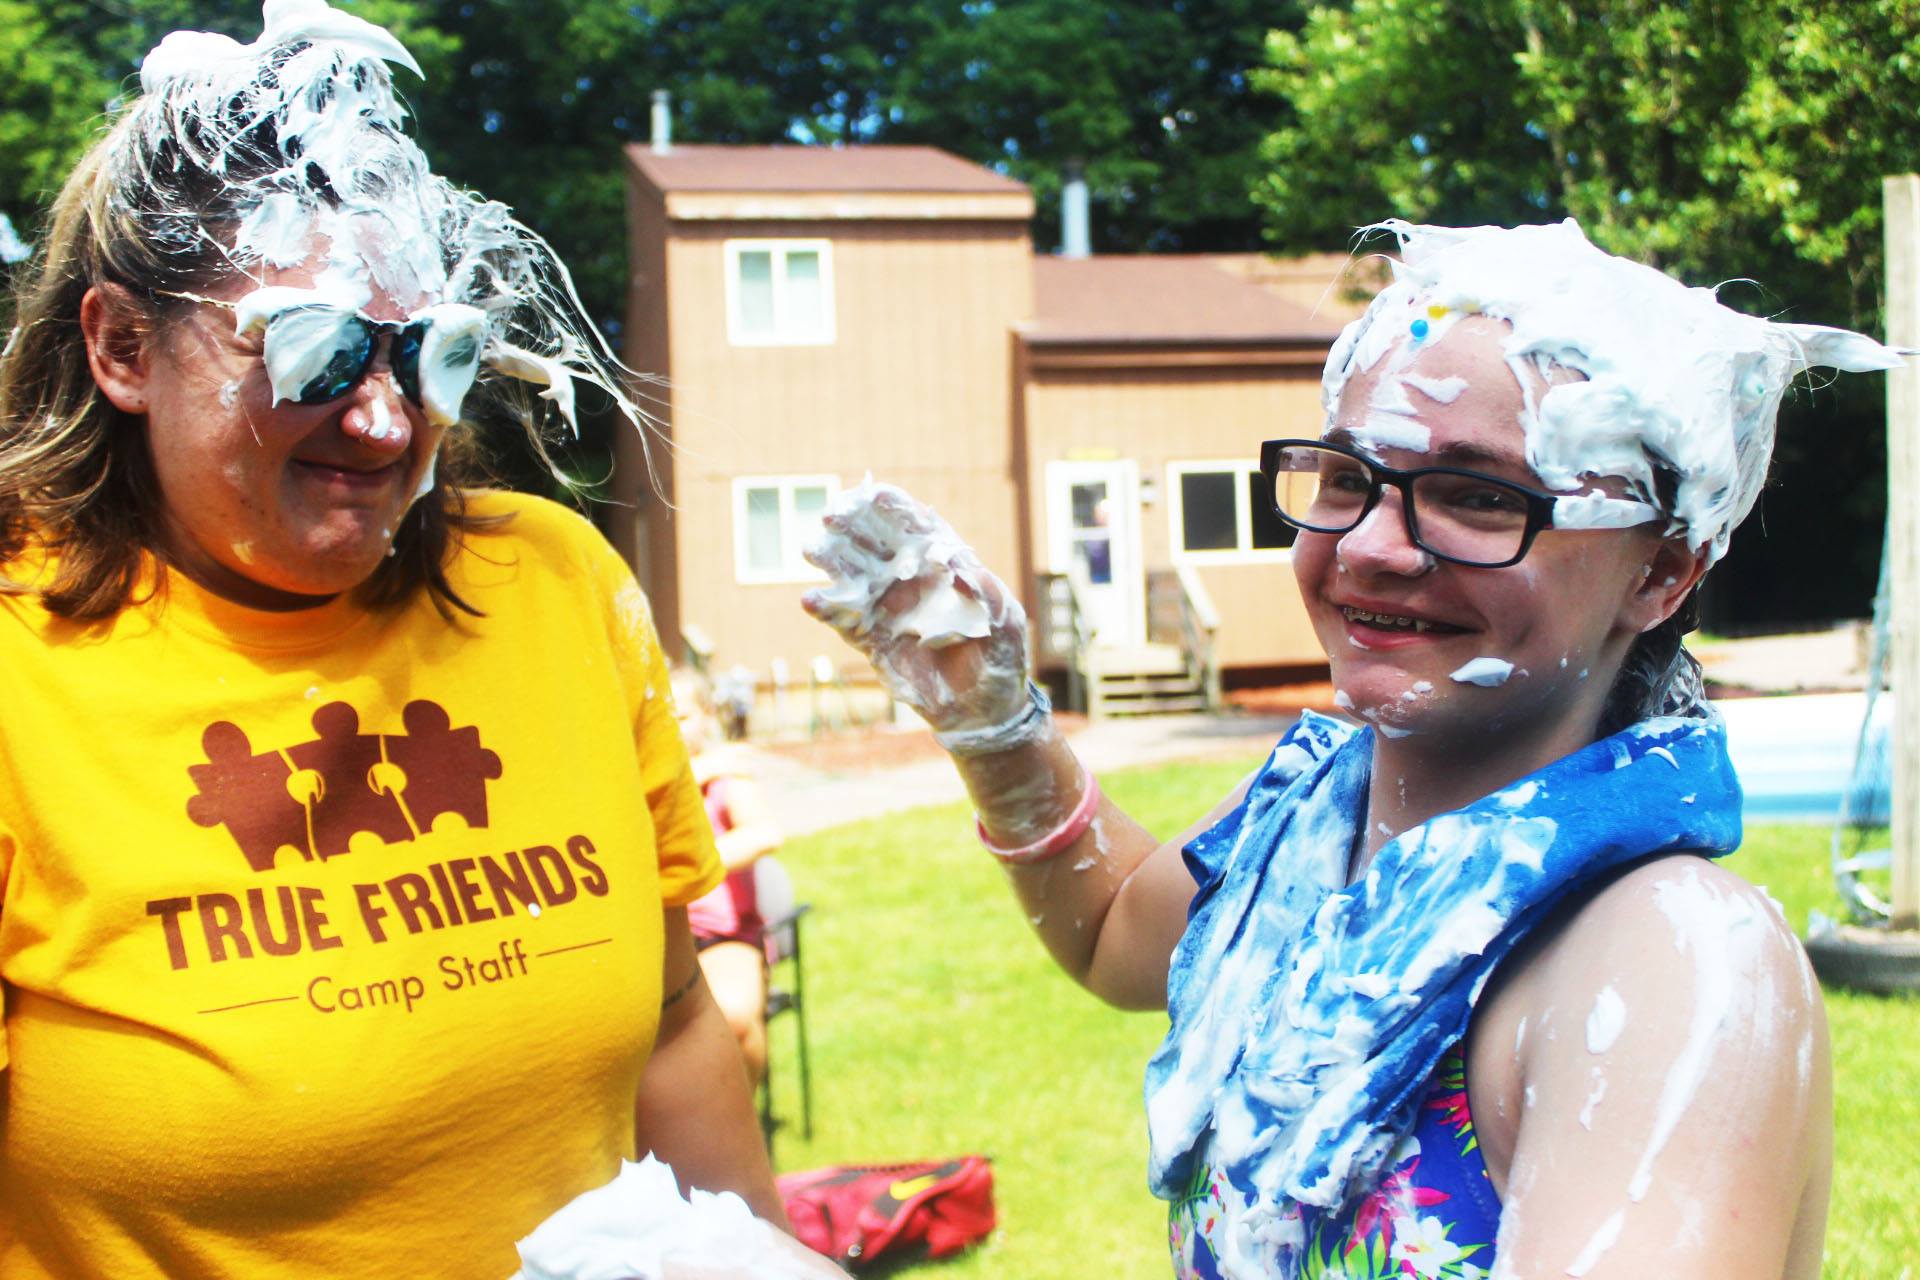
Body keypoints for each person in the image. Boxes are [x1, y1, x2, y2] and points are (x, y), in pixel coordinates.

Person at [803, 219, 1904, 1279]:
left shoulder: (1669, 960)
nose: (1373, 546)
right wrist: (994, 725)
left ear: (1663, 572)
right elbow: (1110, 931)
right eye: (1345, 479)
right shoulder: (1316, 826)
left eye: (1477, 496)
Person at [0, 4, 794, 1274]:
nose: (381, 419)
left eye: (427, 353)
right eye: (313, 349)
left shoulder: (550, 585)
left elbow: (673, 1023)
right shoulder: (20, 677)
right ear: (121, 346)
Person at [672, 670, 787, 1085]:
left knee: (734, 1018)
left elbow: (764, 833)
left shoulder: (728, 774)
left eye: (681, 717)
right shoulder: (637, 779)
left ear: (706, 716)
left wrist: (684, 872)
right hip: (650, 940)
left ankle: (741, 1126)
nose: (670, 729)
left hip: (720, 936)